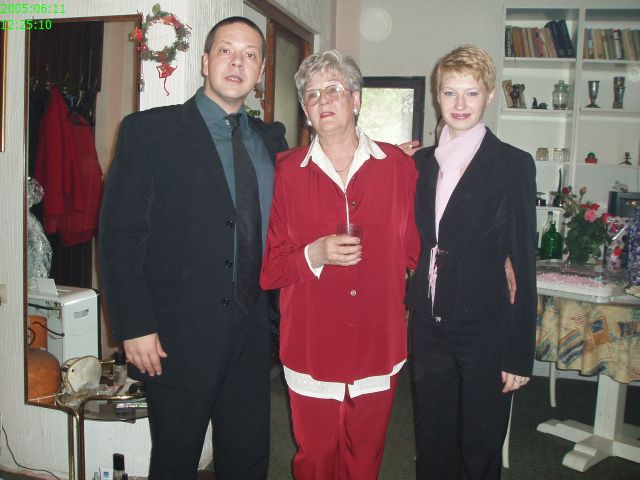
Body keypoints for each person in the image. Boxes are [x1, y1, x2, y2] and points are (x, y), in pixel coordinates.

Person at [99, 17, 287, 480]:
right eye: (226, 50)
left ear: (261, 71)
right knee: (174, 462)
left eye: (249, 55)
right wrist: (134, 325)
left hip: (252, 333)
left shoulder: (272, 142)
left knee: (248, 460)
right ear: (205, 61)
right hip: (176, 337)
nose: (237, 62)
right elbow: (120, 235)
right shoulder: (149, 133)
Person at [260, 49, 419, 479]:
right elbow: (271, 269)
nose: (323, 100)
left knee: (365, 458)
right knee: (314, 458)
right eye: (312, 95)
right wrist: (315, 253)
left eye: (333, 89)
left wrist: (496, 260)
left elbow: (422, 247)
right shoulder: (286, 172)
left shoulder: (398, 167)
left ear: (356, 99)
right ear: (306, 111)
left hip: (377, 340)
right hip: (312, 342)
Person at [406, 44, 537, 480]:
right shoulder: (420, 164)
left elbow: (524, 262)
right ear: (437, 96)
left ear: (490, 95)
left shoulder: (512, 165)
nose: (460, 104)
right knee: (433, 441)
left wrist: (519, 354)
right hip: (428, 324)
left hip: (485, 327)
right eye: (450, 92)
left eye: (472, 93)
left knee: (480, 446)